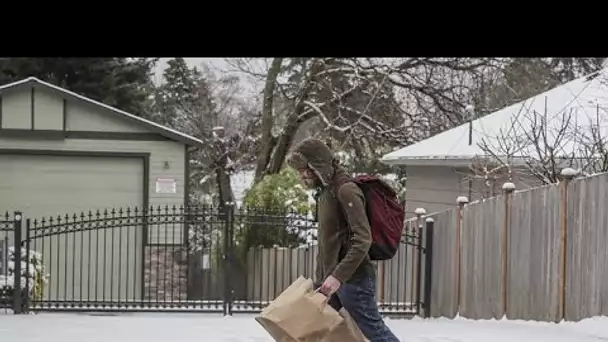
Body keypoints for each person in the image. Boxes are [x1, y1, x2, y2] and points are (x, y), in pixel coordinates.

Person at [286, 138, 400, 342]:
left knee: (374, 332)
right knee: (318, 331)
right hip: (331, 281)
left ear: (318, 165)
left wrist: (338, 276)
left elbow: (362, 239)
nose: (302, 174)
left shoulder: (345, 190)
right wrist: (323, 277)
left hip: (353, 280)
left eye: (306, 168)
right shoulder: (325, 192)